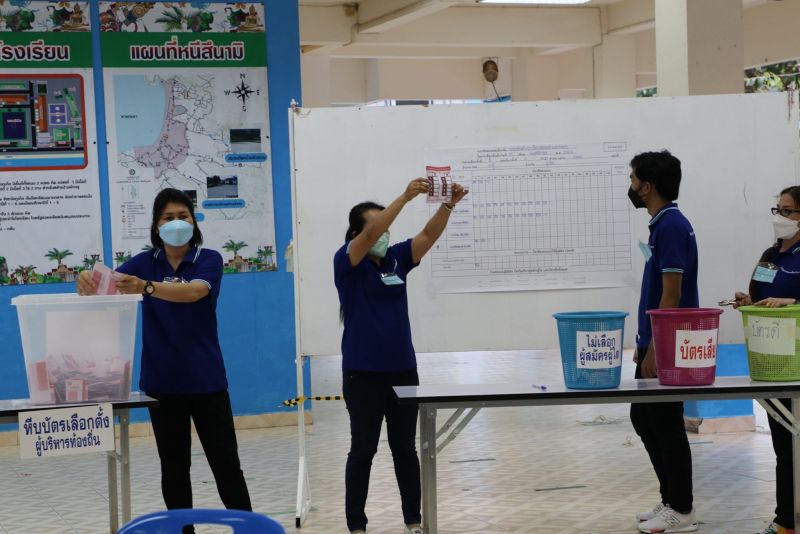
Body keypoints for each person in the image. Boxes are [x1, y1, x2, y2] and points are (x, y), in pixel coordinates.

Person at [77, 188, 251, 534]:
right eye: (167, 217)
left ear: (194, 220)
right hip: (162, 384)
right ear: (156, 226)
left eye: (183, 216)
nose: (176, 223)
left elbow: (195, 292)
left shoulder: (208, 258)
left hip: (207, 381)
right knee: (173, 468)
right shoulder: (145, 262)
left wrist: (147, 287)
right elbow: (104, 287)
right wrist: (85, 280)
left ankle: (247, 528)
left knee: (227, 465)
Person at [335, 178, 468, 534]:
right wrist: (406, 197)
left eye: (387, 227)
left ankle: (413, 521)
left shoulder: (396, 259)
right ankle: (356, 525)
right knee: (362, 450)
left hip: (403, 373)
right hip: (362, 375)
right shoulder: (347, 261)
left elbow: (427, 236)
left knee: (405, 450)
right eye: (377, 226)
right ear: (356, 233)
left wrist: (448, 206)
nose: (384, 233)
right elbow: (368, 236)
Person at [627, 151, 699, 533]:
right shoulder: (662, 225)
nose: (632, 186)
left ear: (647, 186)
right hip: (655, 341)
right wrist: (644, 341)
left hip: (668, 344)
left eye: (634, 179)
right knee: (644, 416)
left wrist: (656, 348)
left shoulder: (671, 226)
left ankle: (682, 510)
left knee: (666, 421)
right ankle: (670, 498)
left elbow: (671, 293)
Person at [732, 186, 800, 534]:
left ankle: (788, 519)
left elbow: (788, 301)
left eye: (788, 211)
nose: (780, 217)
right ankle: (785, 519)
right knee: (783, 447)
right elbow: (758, 294)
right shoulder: (770, 254)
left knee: (794, 446)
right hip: (770, 362)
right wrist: (748, 299)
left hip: (797, 363)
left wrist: (789, 301)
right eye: (778, 209)